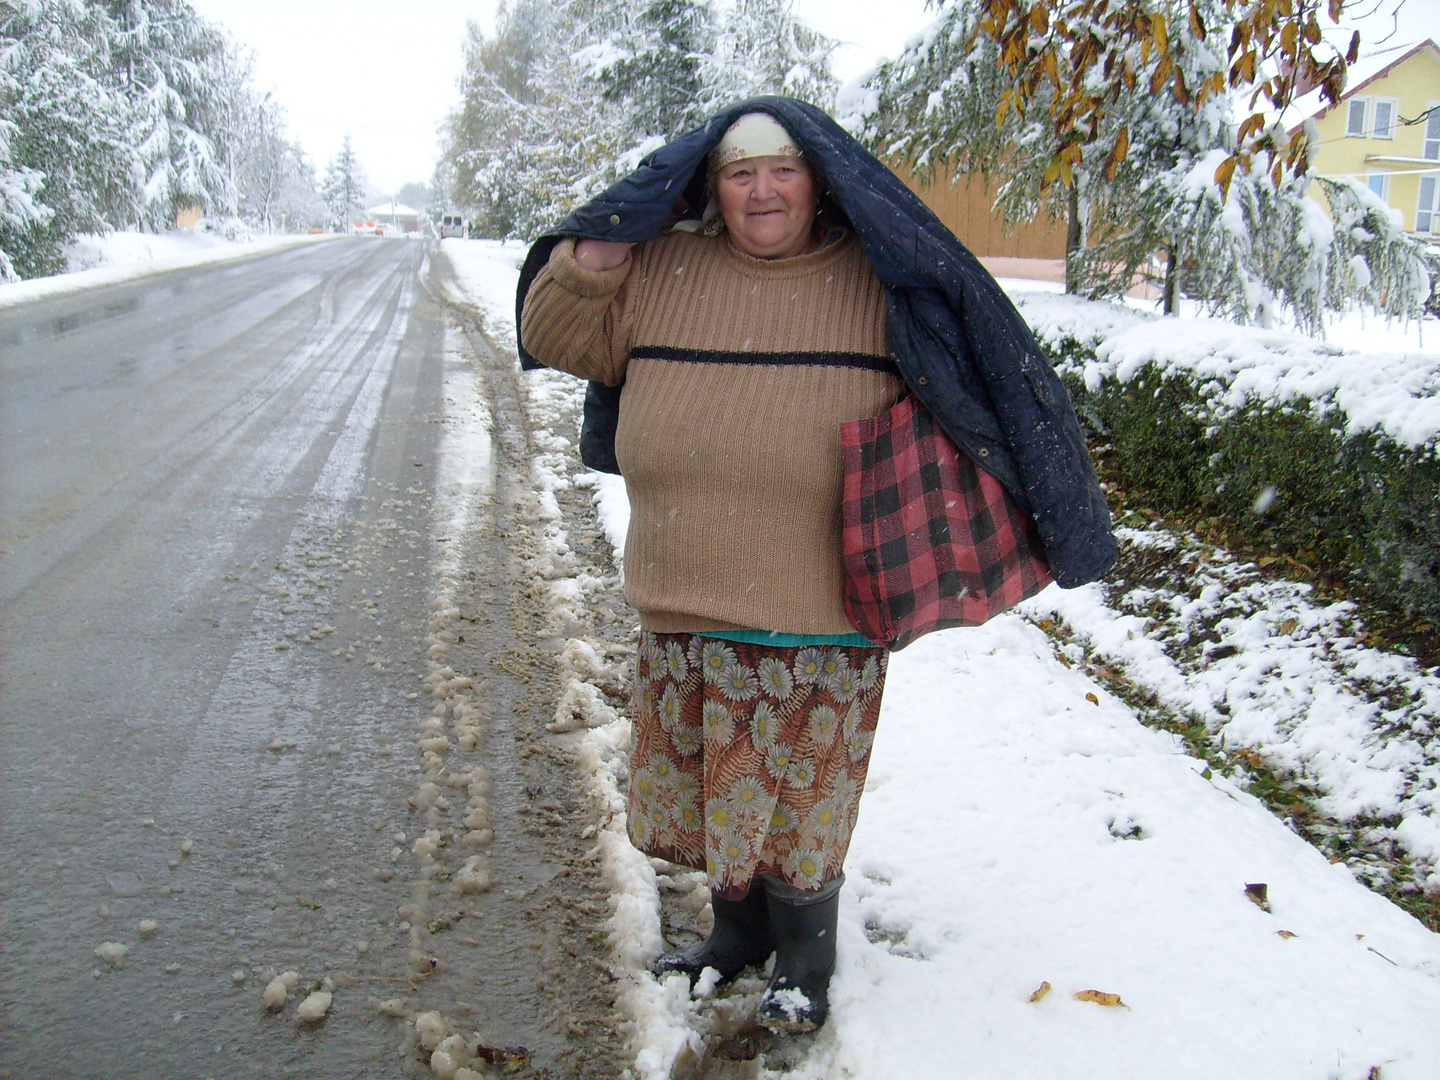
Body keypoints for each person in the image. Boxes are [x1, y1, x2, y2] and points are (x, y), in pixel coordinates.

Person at [518, 101, 1115, 1035]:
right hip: (684, 591)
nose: (764, 189)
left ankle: (807, 955)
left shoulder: (877, 279)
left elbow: (975, 372)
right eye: (741, 171)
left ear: (820, 178)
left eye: (784, 168)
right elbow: (555, 337)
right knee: (718, 783)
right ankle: (736, 936)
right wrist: (599, 247)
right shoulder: (664, 267)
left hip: (824, 604)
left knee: (802, 797)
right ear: (709, 186)